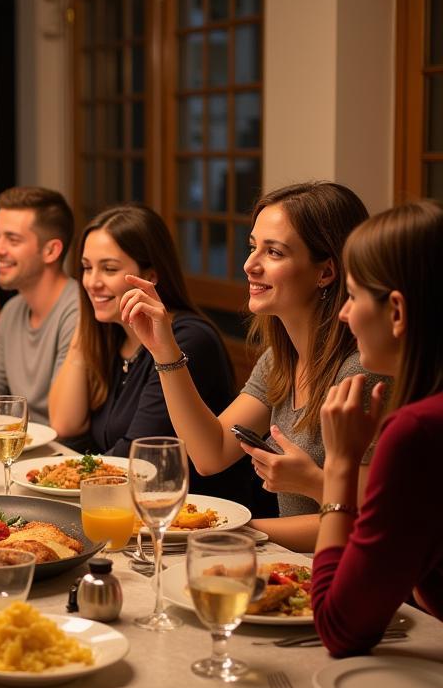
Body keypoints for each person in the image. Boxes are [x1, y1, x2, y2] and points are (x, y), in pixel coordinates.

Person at [120, 182, 380, 547]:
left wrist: (231, 531)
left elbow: (372, 520)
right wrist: (164, 352)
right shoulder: (279, 360)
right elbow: (209, 453)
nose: (249, 265)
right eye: (252, 247)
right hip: (297, 567)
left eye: (273, 252)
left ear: (325, 273)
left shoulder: (358, 372)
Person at [49, 203, 252, 504]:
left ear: (152, 276)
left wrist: (55, 478)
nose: (92, 281)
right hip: (128, 506)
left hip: (191, 522)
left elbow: (137, 457)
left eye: (109, 268)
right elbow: (65, 424)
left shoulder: (188, 339)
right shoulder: (113, 335)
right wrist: (86, 325)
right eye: (87, 267)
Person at [312, 200, 443, 656]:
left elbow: (339, 629)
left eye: (352, 295)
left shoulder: (418, 431)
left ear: (397, 312)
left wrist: (341, 463)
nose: (344, 314)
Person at [0, 186, 79, 424]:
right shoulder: (12, 310)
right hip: (17, 447)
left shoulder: (77, 311)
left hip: (63, 454)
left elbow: (64, 422)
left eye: (12, 240)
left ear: (51, 251)